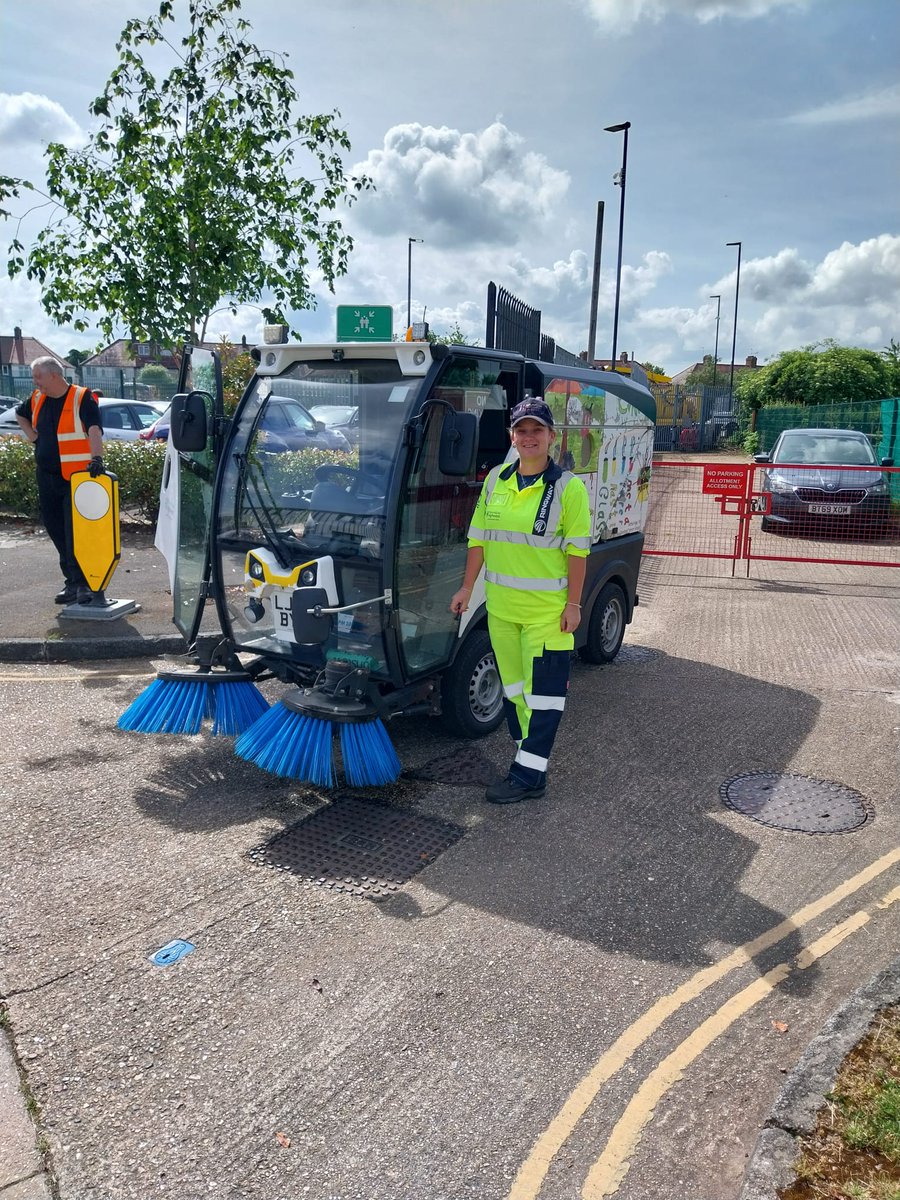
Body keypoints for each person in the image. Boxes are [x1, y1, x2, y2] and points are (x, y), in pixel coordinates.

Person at [449, 397, 591, 804]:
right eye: (522, 430)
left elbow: (577, 552)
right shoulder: (496, 480)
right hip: (501, 611)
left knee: (544, 697)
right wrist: (465, 588)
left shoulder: (569, 488)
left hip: (547, 616)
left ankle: (528, 777)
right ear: (512, 436)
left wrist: (574, 605)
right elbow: (479, 539)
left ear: (551, 437)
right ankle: (531, 760)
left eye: (537, 430)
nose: (529, 437)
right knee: (515, 691)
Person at [15, 356, 105, 605]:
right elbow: (20, 415)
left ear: (54, 375)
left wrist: (96, 459)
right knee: (56, 530)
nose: (36, 382)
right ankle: (71, 583)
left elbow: (94, 429)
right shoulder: (36, 399)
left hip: (76, 480)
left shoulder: (81, 397)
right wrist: (34, 438)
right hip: (47, 477)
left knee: (75, 532)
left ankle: (84, 583)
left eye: (38, 377)